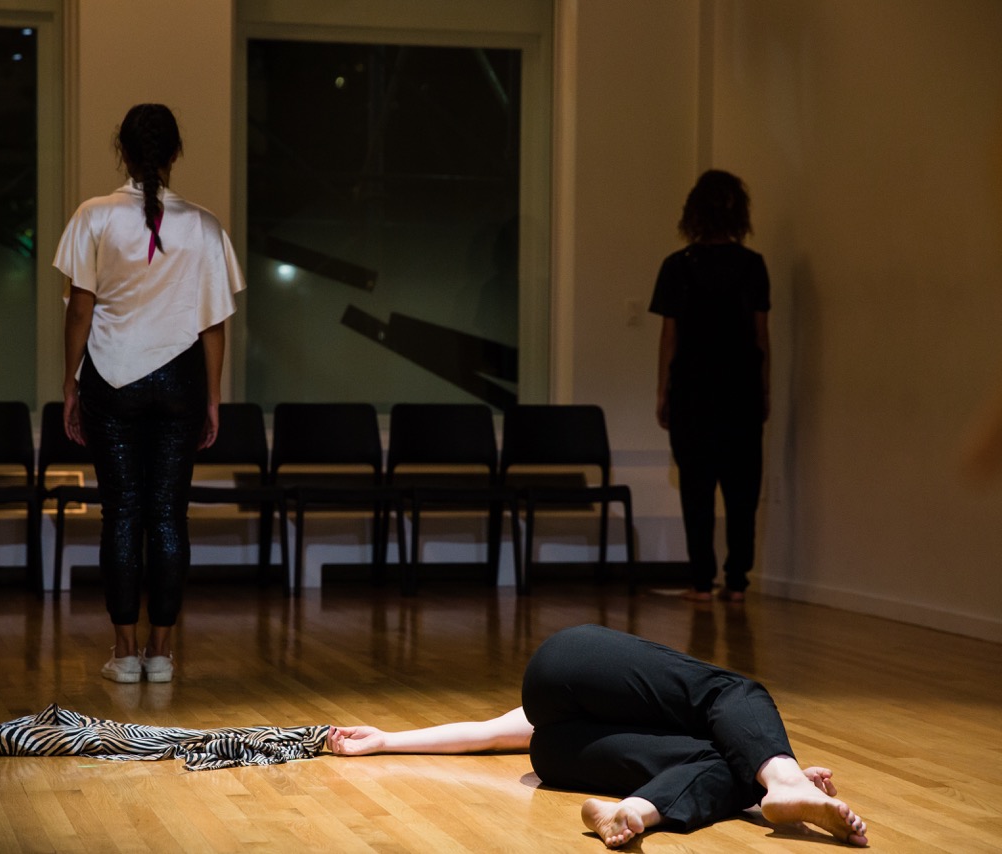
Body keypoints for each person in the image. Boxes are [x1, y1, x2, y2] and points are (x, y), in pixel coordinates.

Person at [328, 624, 868, 849]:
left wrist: (385, 742)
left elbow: (496, 735)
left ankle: (632, 812)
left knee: (725, 750)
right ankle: (779, 778)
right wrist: (388, 738)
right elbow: (495, 732)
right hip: (564, 695)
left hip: (556, 754)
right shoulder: (719, 720)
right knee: (733, 691)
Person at [54, 103, 244, 684]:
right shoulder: (207, 227)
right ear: (175, 153)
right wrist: (211, 399)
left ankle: (124, 652)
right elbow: (214, 326)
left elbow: (81, 310)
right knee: (167, 515)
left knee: (122, 515)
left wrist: (71, 381)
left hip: (110, 382)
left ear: (124, 152)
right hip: (181, 384)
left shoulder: (93, 217)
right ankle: (161, 656)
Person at [649, 169, 771, 602]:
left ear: (693, 212)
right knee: (742, 490)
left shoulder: (678, 267)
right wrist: (765, 389)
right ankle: (737, 581)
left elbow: (670, 336)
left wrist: (663, 391)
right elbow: (761, 336)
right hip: (740, 392)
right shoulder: (752, 266)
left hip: (693, 393)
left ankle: (702, 581)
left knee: (697, 489)